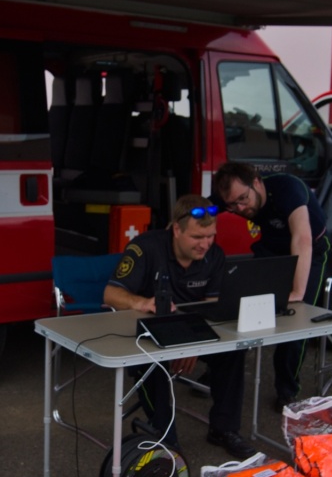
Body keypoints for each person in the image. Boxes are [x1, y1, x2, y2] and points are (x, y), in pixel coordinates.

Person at [103, 195, 251, 459]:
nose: (205, 244)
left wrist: (193, 342)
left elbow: (213, 306)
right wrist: (141, 301)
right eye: (197, 237)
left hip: (192, 331)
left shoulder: (214, 255)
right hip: (148, 335)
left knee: (234, 351)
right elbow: (111, 294)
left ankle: (224, 429)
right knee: (153, 363)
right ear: (176, 229)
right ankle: (166, 440)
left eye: (210, 236)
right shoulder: (145, 248)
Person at [212, 161, 332, 409]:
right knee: (238, 307)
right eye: (233, 205)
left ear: (257, 182)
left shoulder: (288, 189)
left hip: (308, 251)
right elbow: (202, 206)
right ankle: (221, 367)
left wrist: (297, 291)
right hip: (271, 252)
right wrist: (179, 221)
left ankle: (287, 389)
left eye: (243, 199)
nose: (241, 208)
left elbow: (302, 238)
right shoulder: (232, 194)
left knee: (295, 322)